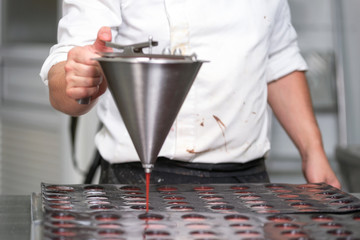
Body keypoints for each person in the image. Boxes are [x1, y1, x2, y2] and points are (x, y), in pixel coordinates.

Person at [40, 0, 341, 188]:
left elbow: (278, 58)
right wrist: (78, 79)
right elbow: (67, 71)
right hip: (136, 182)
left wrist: (313, 152)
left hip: (247, 182)